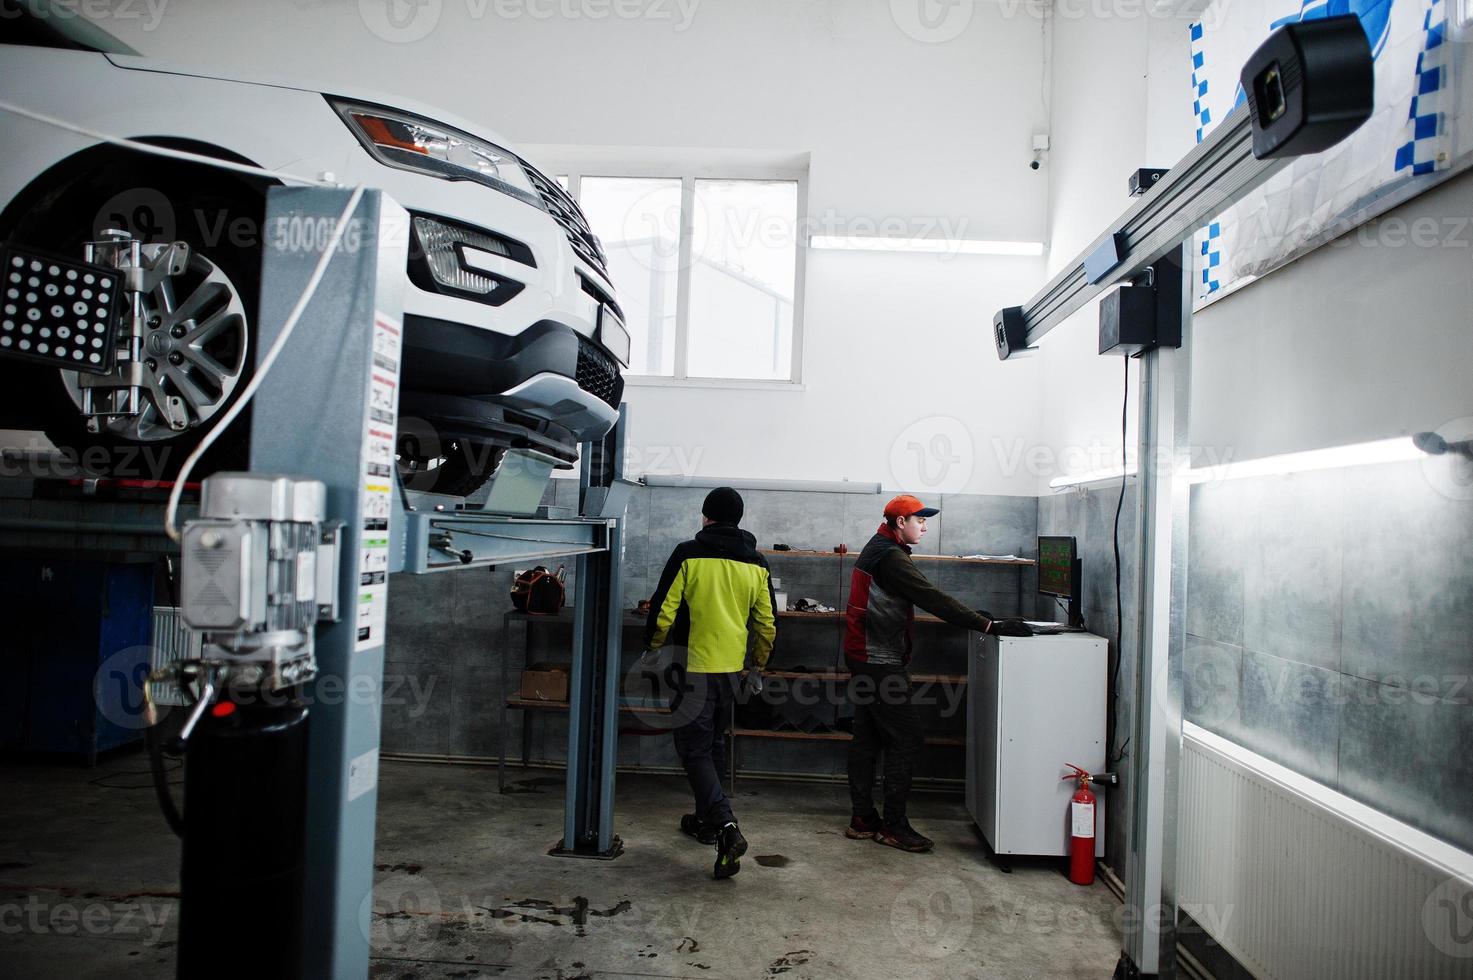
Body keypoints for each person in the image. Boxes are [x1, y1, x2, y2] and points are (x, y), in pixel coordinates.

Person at [842, 494, 1030, 852]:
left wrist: (979, 619)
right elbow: (931, 597)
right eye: (919, 520)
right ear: (901, 523)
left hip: (864, 654)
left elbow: (925, 596)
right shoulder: (890, 557)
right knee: (907, 737)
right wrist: (987, 625)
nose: (925, 526)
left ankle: (863, 818)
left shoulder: (880, 547)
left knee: (867, 738)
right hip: (878, 658)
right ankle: (893, 826)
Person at [645, 486, 777, 879]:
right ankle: (705, 821)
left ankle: (725, 825)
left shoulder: (688, 553)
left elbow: (663, 608)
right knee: (715, 743)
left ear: (706, 517)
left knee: (694, 749)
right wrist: (757, 667)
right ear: (737, 520)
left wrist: (652, 648)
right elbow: (767, 624)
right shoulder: (757, 562)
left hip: (692, 669)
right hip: (730, 673)